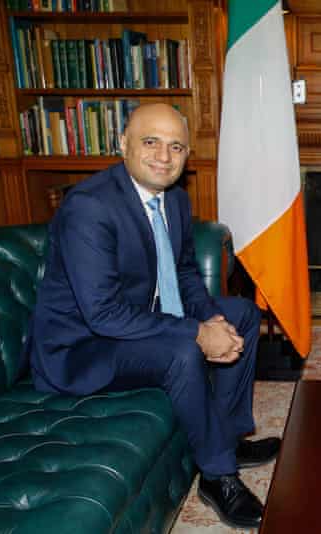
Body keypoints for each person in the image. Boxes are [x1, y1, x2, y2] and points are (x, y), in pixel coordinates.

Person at [26, 103, 277, 529]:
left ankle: (228, 439)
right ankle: (218, 476)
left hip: (139, 322)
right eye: (151, 142)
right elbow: (103, 314)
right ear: (122, 144)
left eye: (176, 146)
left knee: (243, 315)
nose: (164, 156)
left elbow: (183, 273)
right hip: (81, 349)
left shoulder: (174, 199)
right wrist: (197, 332)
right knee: (183, 347)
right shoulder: (89, 208)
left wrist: (213, 321)